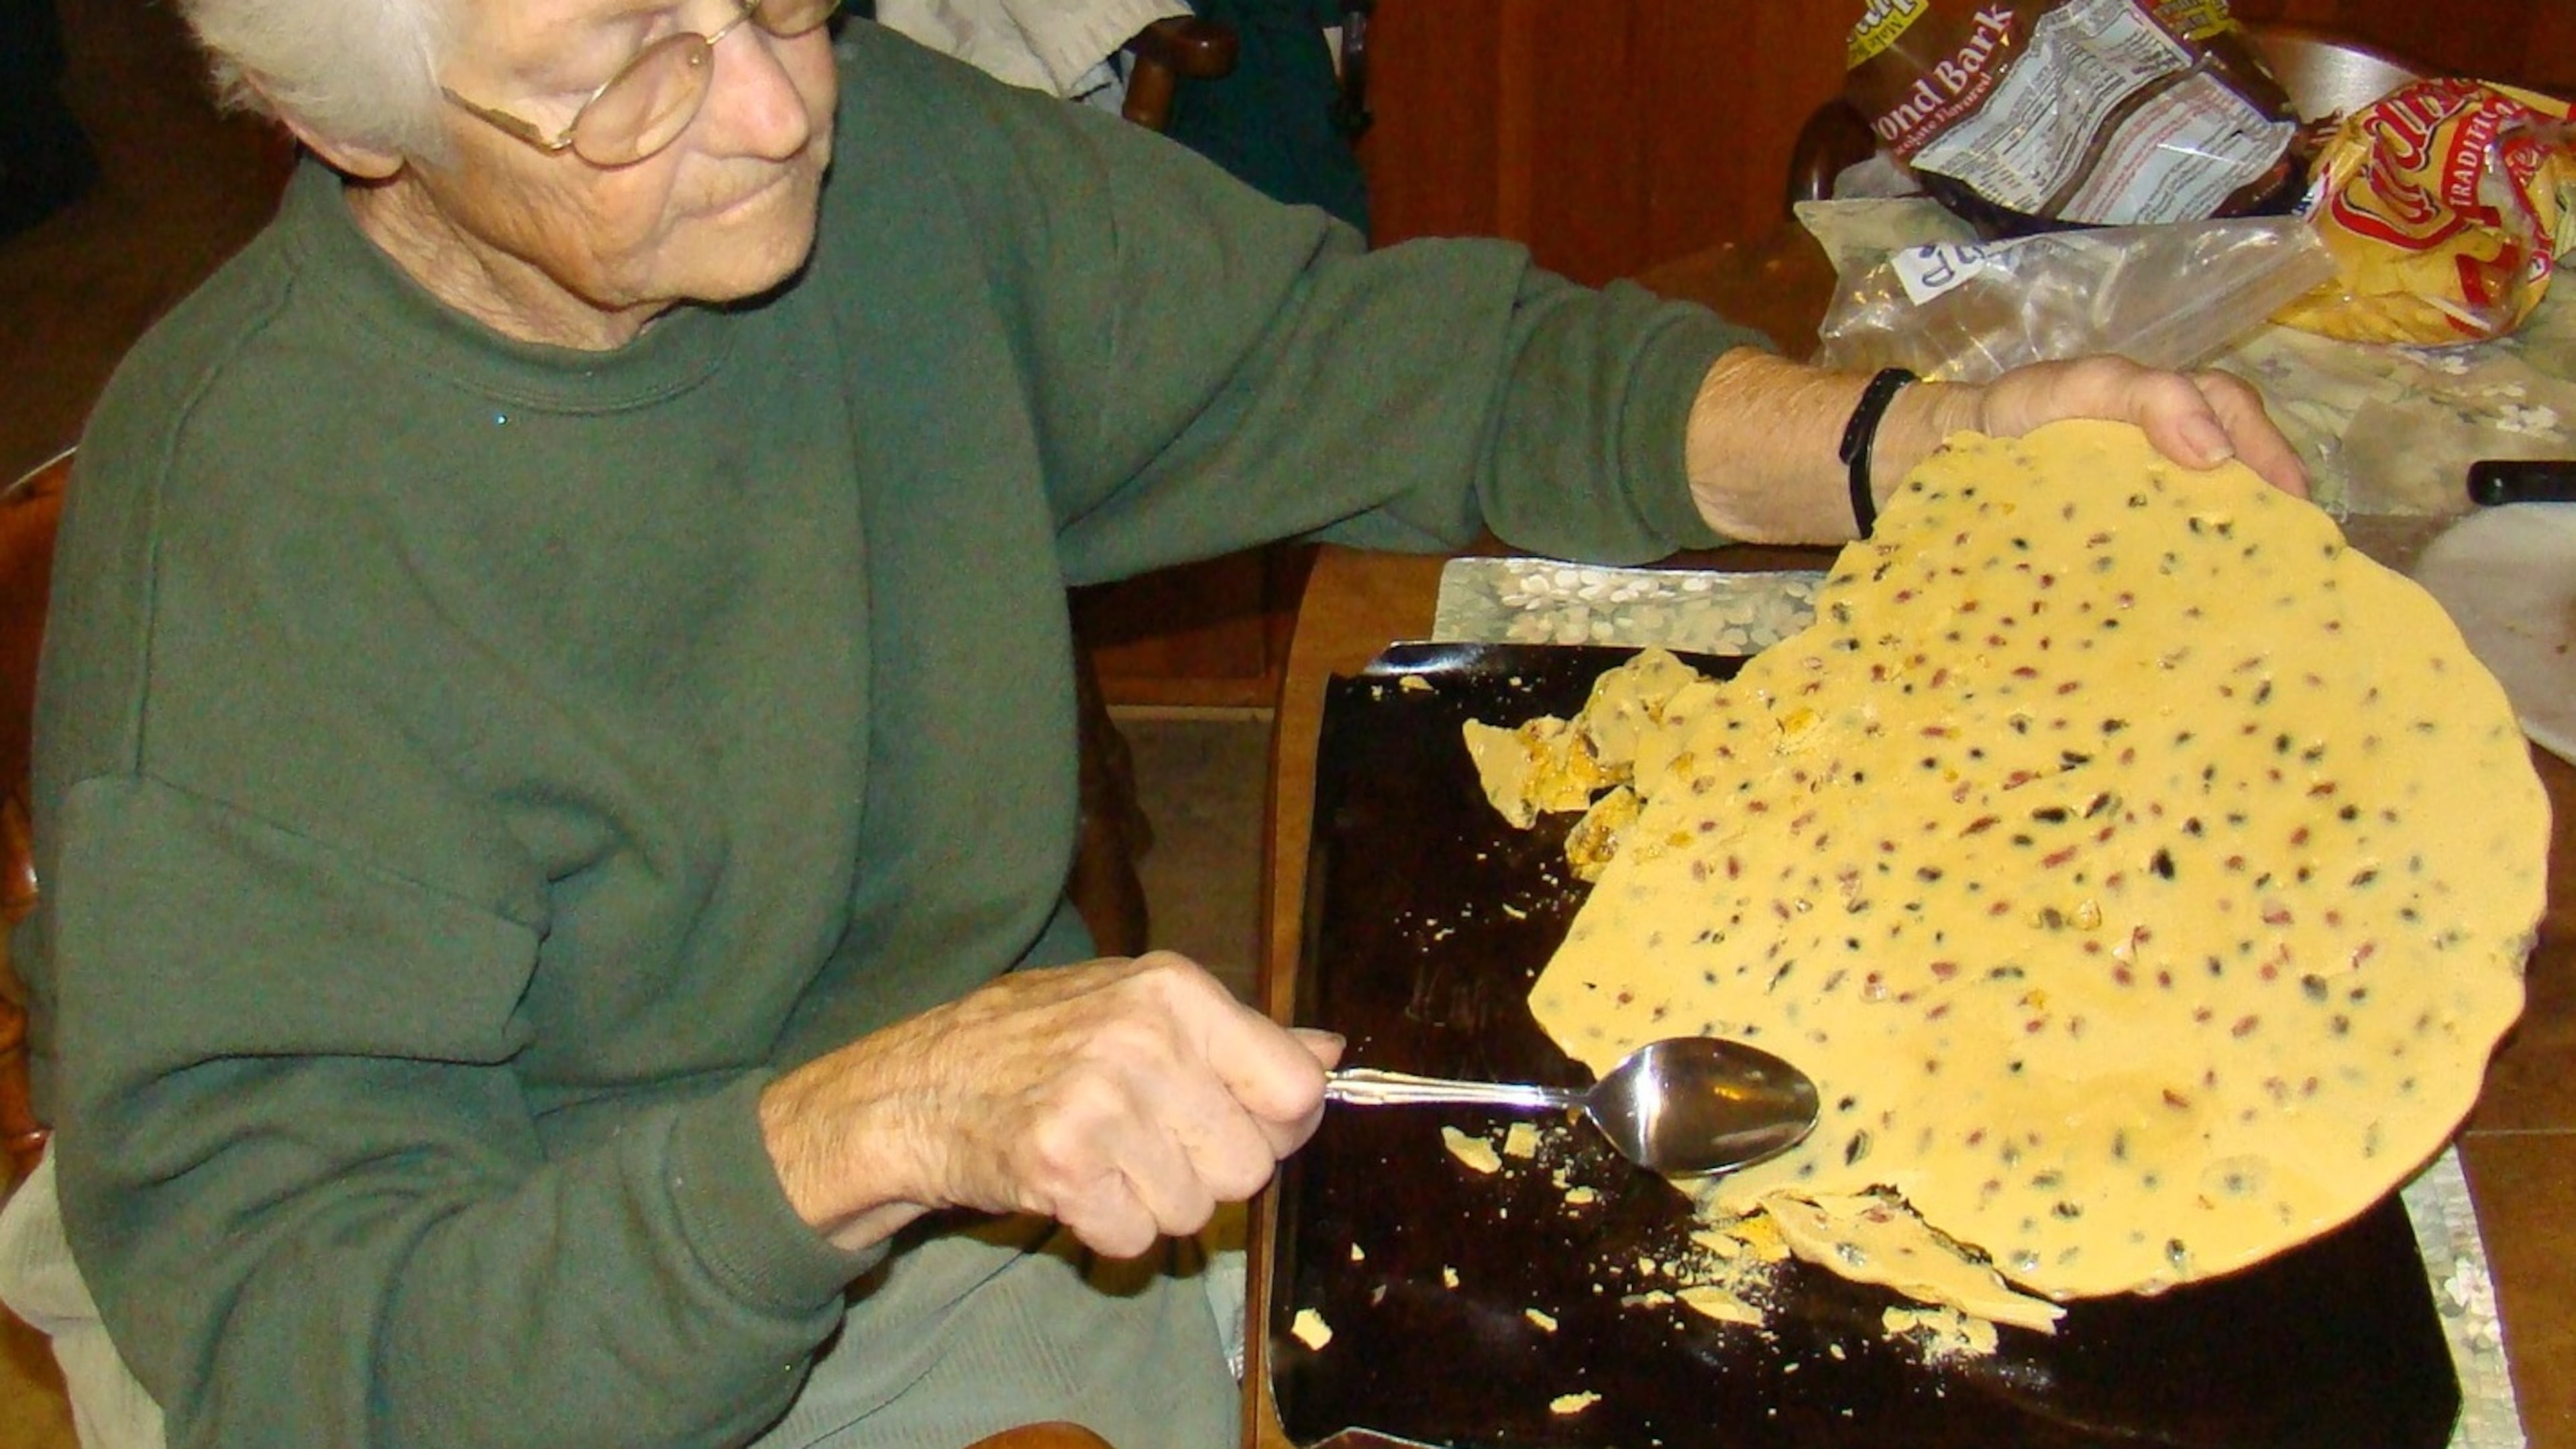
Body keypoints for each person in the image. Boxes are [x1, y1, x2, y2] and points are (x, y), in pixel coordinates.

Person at [0, 0, 2304, 1444]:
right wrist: (873, 1125)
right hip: (526, 1315)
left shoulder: (883, 151)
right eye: (623, 76)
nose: (783, 107)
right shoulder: (258, 564)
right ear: (356, 138)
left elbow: (1393, 361)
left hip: (918, 1180)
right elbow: (317, 1355)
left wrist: (1907, 446)